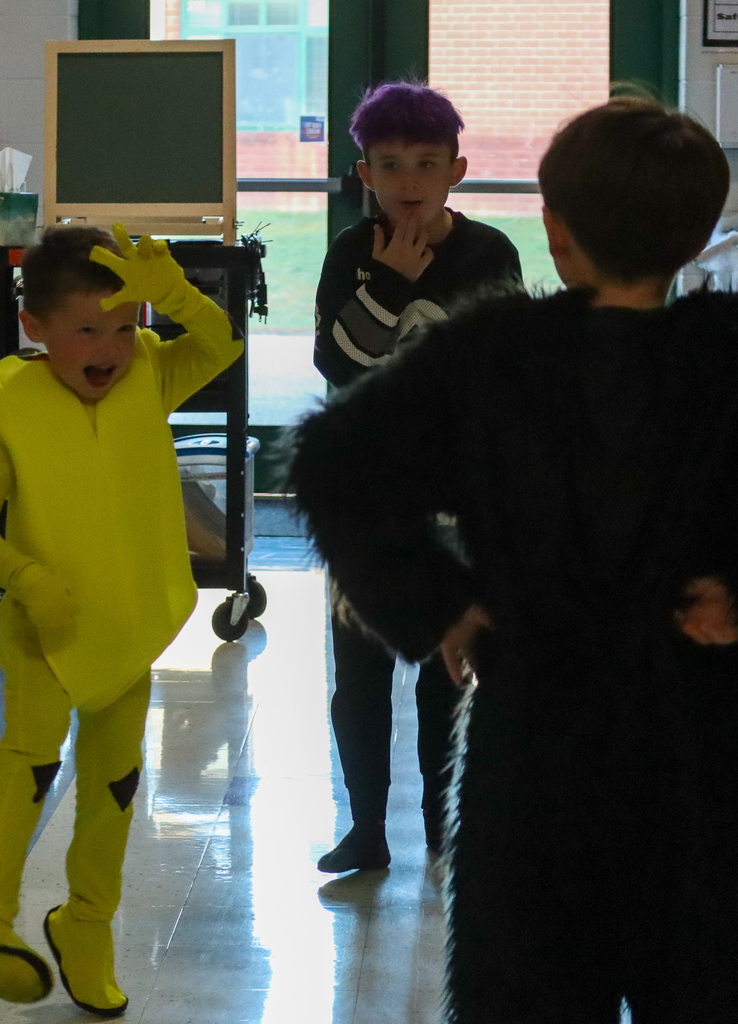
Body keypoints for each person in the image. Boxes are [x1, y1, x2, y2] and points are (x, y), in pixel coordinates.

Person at [290, 96, 738, 1021]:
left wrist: (440, 605)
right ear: (699, 237)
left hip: (538, 734)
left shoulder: (495, 355)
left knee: (529, 991)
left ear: (556, 229)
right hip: (701, 737)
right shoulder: (727, 355)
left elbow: (335, 463)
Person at [0, 224, 243, 1014]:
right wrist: (25, 576)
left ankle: (87, 925)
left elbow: (218, 344)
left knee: (115, 785)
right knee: (31, 760)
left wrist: (177, 294)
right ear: (36, 328)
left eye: (125, 326)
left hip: (126, 626)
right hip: (41, 629)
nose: (110, 347)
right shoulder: (8, 405)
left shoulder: (149, 374)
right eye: (87, 329)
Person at [312, 81, 522, 869]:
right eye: (390, 164)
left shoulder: (487, 254)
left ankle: (443, 829)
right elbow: (337, 363)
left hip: (453, 505)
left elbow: (495, 377)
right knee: (358, 676)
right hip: (366, 505)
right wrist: (390, 283)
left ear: (455, 170)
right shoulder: (347, 253)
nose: (408, 181)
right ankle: (366, 829)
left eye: (426, 164)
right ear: (364, 173)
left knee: (448, 672)